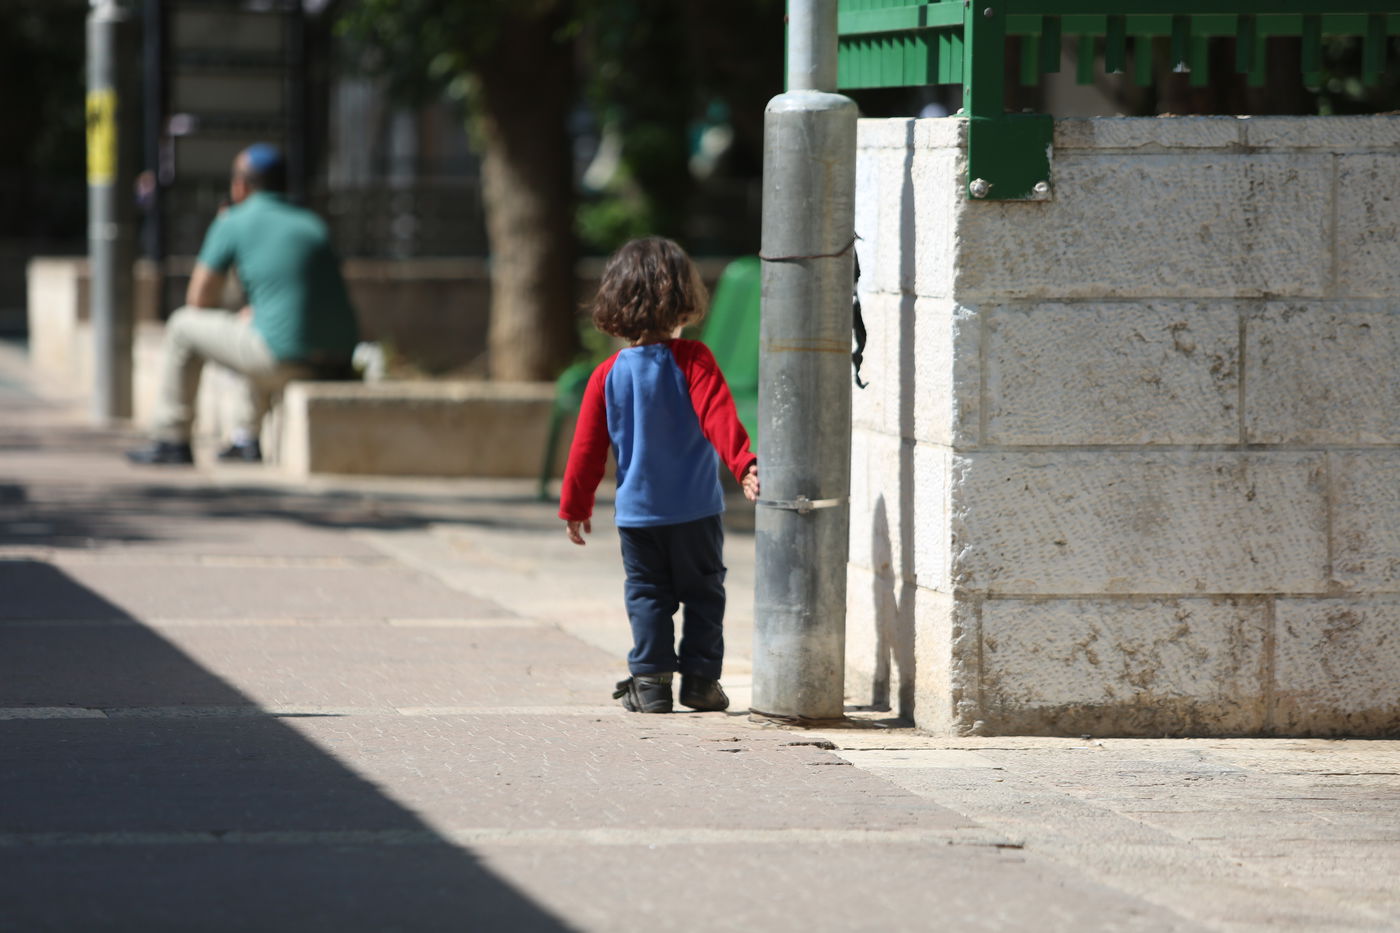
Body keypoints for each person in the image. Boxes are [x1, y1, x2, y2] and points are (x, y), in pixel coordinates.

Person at [559, 236, 760, 714]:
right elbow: (719, 417)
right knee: (704, 594)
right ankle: (701, 682)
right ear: (683, 298)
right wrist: (744, 463)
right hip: (696, 511)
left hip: (638, 517)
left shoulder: (607, 374)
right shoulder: (694, 360)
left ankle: (650, 684)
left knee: (648, 595)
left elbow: (587, 450)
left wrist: (575, 506)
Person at [126, 143, 359, 465]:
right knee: (257, 327)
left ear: (240, 185)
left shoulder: (234, 220)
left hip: (282, 359)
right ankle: (245, 438)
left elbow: (198, 299)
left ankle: (171, 438)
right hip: (338, 360)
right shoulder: (312, 223)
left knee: (181, 325)